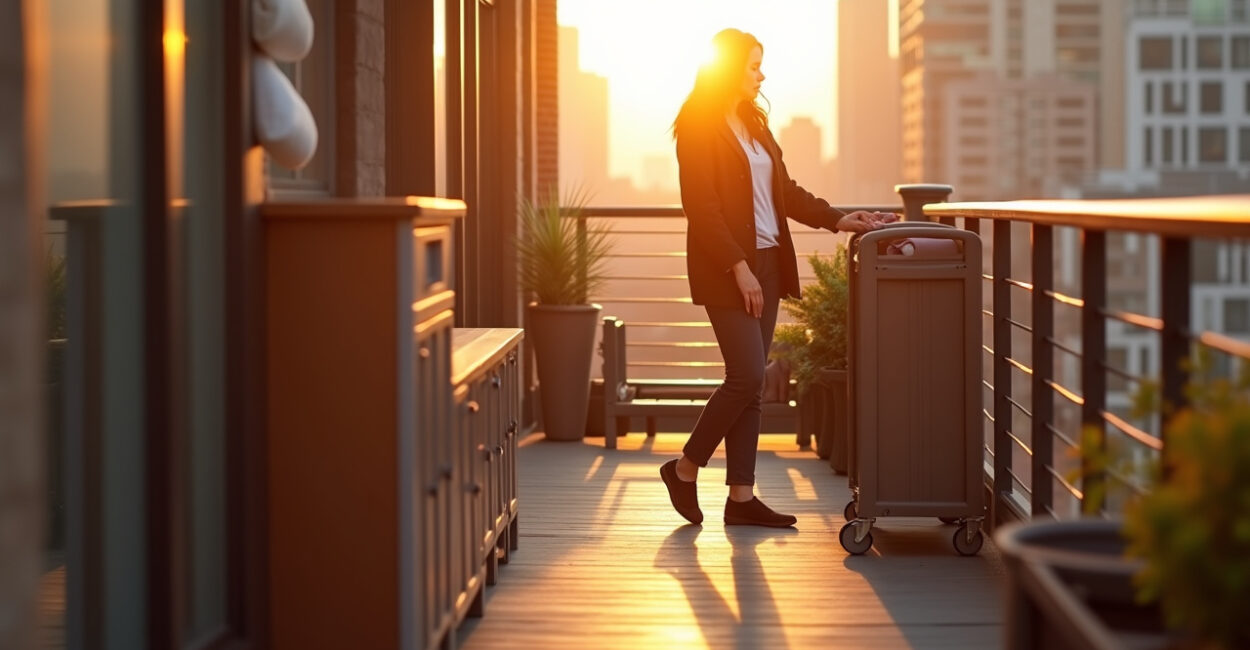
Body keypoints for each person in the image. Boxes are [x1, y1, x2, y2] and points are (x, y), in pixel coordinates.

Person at [660, 28, 891, 528]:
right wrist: (738, 267)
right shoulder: (698, 127)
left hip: (768, 262)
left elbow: (784, 190)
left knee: (752, 384)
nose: (761, 74)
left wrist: (840, 218)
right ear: (728, 69)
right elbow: (703, 209)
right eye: (752, 65)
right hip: (730, 269)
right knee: (744, 376)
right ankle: (684, 467)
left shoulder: (754, 124)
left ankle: (741, 497)